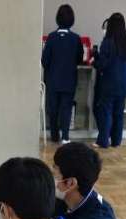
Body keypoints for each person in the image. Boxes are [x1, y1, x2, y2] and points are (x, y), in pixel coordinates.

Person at [42, 4, 84, 144]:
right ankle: (65, 137)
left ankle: (54, 136)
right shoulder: (76, 39)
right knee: (66, 109)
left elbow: (44, 60)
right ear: (72, 19)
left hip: (52, 80)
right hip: (69, 80)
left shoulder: (51, 38)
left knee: (53, 109)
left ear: (57, 18)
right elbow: (79, 59)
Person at [93, 13, 126, 149]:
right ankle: (116, 141)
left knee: (106, 112)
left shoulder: (107, 42)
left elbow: (102, 64)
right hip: (124, 84)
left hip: (110, 83)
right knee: (119, 113)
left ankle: (103, 141)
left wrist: (95, 61)